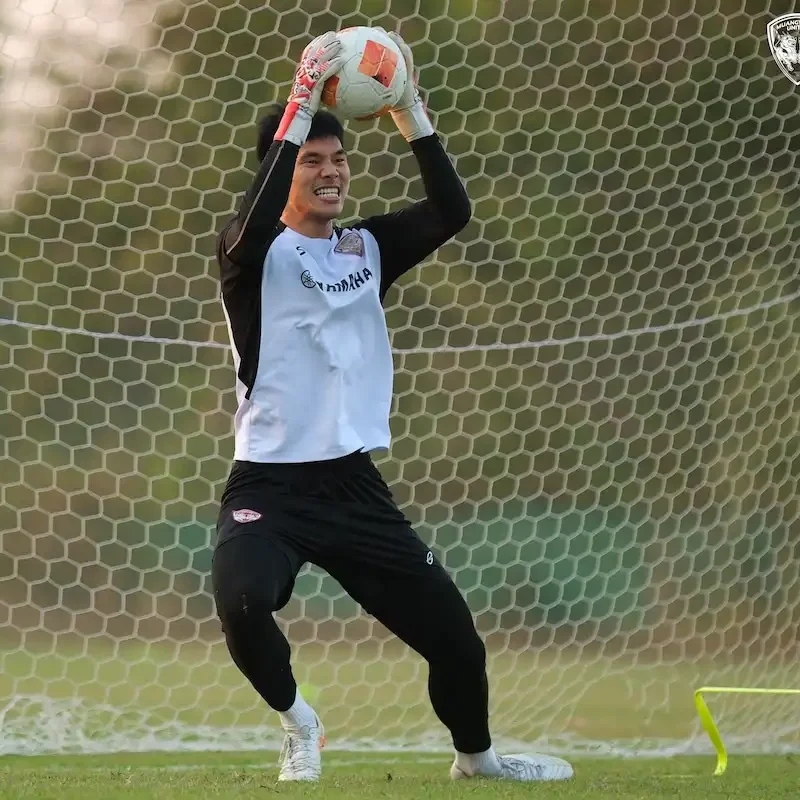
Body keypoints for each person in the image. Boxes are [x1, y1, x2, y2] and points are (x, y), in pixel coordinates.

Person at [211, 29, 574, 783]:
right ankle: (300, 724)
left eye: (338, 159)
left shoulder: (367, 248)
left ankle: (477, 760)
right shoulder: (251, 255)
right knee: (243, 601)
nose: (331, 171)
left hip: (352, 486)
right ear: (281, 173)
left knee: (456, 639)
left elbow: (451, 209)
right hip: (269, 485)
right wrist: (300, 101)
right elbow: (249, 227)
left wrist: (412, 111)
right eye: (312, 161)